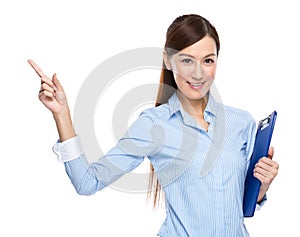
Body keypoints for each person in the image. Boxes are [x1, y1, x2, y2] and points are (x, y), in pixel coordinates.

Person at [28, 14, 279, 237]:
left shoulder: (241, 122)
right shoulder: (152, 125)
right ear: (168, 61)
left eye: (208, 60)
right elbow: (87, 182)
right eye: (187, 60)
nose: (199, 73)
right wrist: (62, 115)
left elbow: (243, 206)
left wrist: (262, 184)